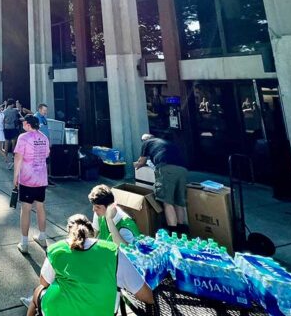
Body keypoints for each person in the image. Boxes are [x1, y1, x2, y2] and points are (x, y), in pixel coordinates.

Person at [21, 215, 154, 316]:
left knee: (38, 290)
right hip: (102, 311)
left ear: (69, 231)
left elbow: (44, 282)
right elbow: (147, 297)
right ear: (90, 230)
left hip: (58, 310)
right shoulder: (112, 251)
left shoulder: (57, 249)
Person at [135, 134, 189, 234]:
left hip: (166, 168)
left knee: (167, 202)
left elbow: (141, 162)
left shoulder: (146, 143)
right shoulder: (164, 142)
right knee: (178, 201)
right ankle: (181, 228)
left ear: (145, 140)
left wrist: (136, 165)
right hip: (183, 169)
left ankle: (173, 231)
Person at [14, 115, 50, 253]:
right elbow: (46, 154)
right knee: (40, 206)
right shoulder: (44, 137)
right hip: (41, 178)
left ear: (28, 125)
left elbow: (18, 158)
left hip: (27, 179)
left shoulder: (23, 138)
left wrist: (15, 177)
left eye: (24, 123)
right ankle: (42, 236)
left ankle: (24, 242)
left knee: (26, 209)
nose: (23, 125)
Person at [2, 99, 20, 169]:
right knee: (13, 143)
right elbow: (18, 109)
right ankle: (13, 156)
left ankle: (5, 157)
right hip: (13, 128)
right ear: (12, 104)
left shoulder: (4, 111)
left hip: (6, 128)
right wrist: (17, 102)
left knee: (6, 143)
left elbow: (2, 121)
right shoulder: (14, 111)